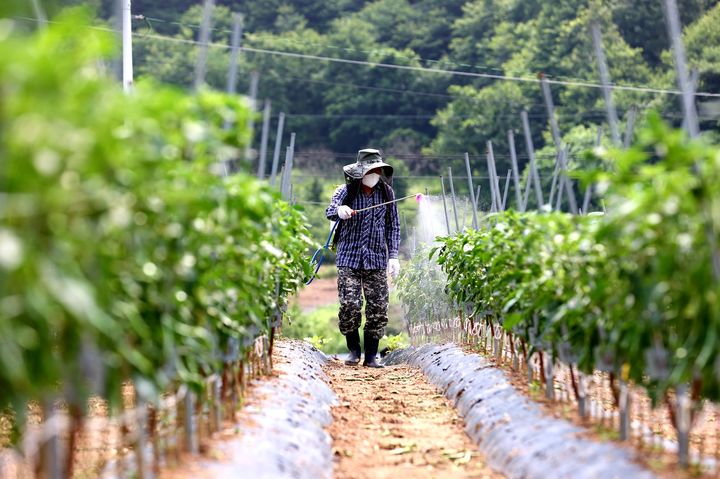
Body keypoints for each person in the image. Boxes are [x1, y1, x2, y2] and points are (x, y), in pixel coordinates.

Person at [325, 149, 400, 368]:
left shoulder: (387, 193)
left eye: (377, 170)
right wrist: (341, 210)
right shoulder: (345, 191)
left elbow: (393, 226)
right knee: (350, 304)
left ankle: (370, 356)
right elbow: (330, 211)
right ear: (361, 172)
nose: (375, 173)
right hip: (349, 257)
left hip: (376, 259)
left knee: (378, 307)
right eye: (371, 170)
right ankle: (353, 351)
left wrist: (393, 256)